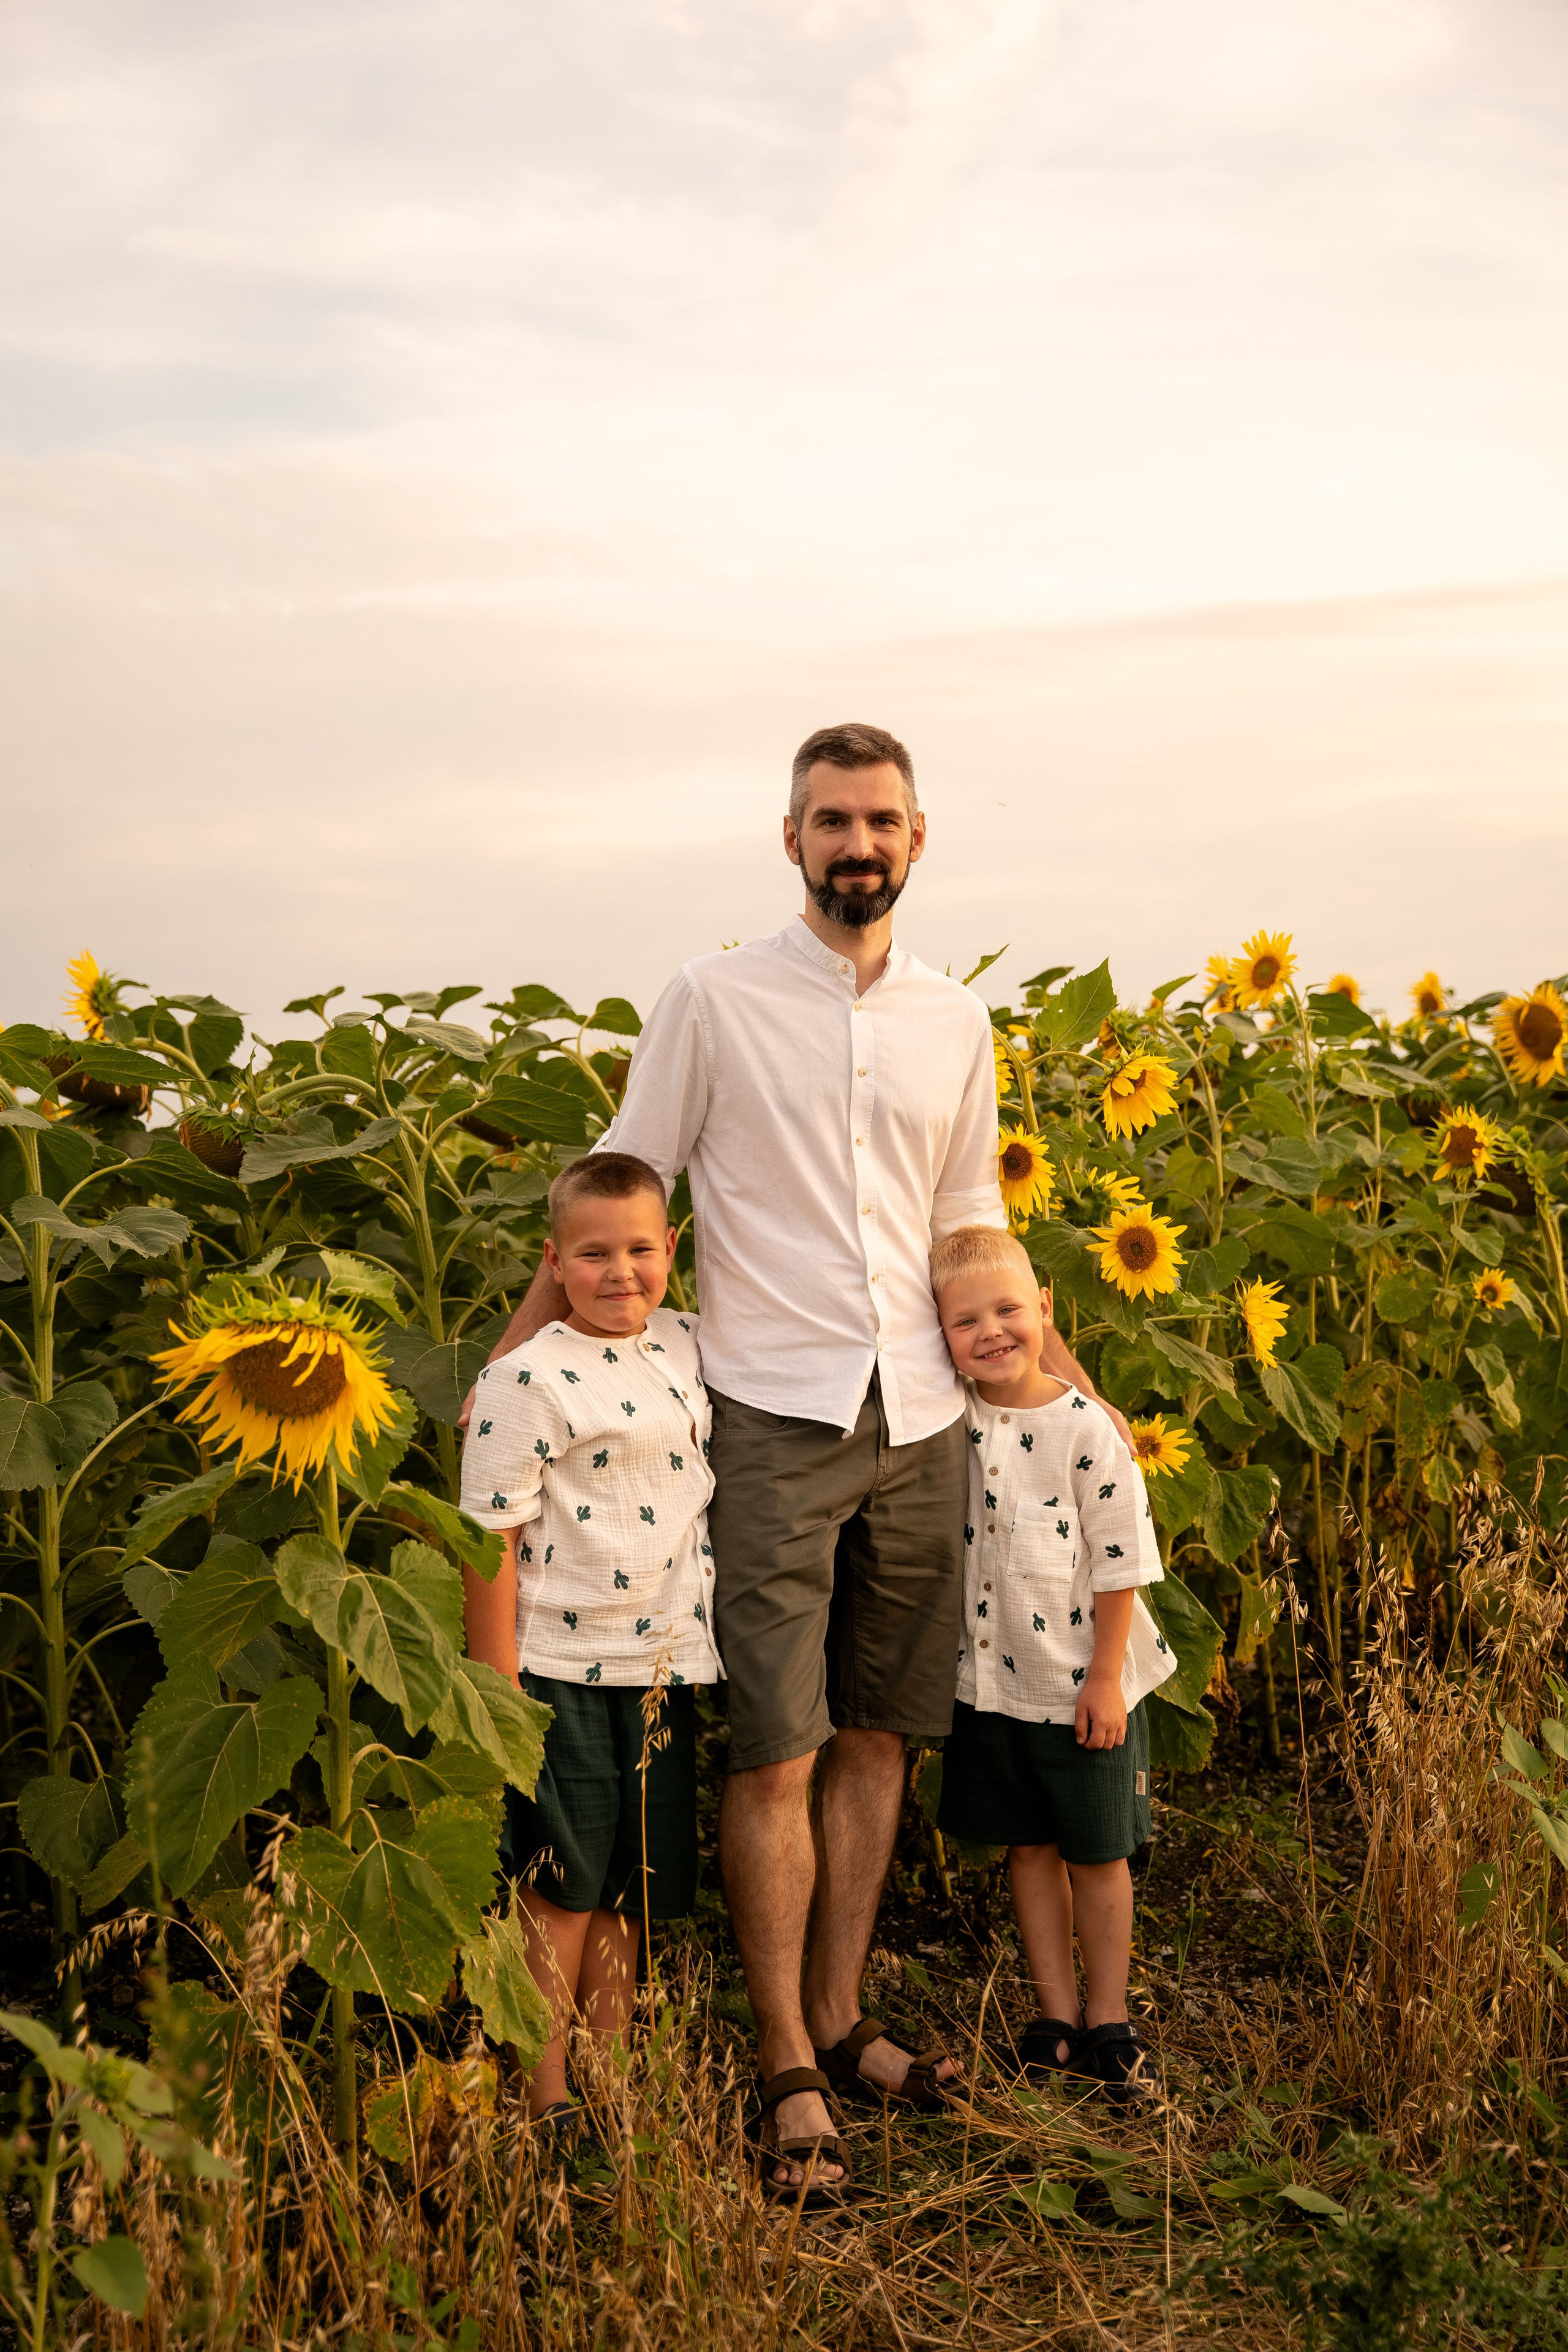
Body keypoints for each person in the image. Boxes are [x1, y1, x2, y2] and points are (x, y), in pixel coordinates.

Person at [463, 720, 1128, 2196]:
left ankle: (839, 2017)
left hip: (925, 1416)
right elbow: (621, 1186)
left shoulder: (956, 1020)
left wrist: (1069, 1372)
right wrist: (513, 1358)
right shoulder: (712, 1000)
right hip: (768, 1411)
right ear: (790, 838)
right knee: (776, 1743)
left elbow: (968, 1220)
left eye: (880, 821)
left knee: (878, 1734)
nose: (856, 845)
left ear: (916, 837)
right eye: (831, 820)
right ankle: (779, 2059)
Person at [458, 1150, 722, 2125]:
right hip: (559, 1670)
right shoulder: (525, 1377)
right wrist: (497, 1680)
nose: (621, 1272)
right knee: (561, 1886)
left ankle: (611, 2076)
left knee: (627, 1884)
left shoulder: (687, 1344)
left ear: (672, 1250)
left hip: (662, 1666)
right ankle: (545, 2090)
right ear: (553, 1262)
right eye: (594, 1253)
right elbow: (486, 1534)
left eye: (641, 1250)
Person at [929, 1223, 1177, 2105]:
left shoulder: (1086, 1431)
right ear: (940, 1336)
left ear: (1044, 1308)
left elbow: (1121, 1563)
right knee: (1028, 1851)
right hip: (993, 1686)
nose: (991, 1332)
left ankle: (1110, 2017)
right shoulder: (951, 1423)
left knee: (1098, 1855)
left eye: (1008, 1310)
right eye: (965, 1321)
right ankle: (1056, 2014)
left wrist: (1106, 1677)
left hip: (1081, 1685)